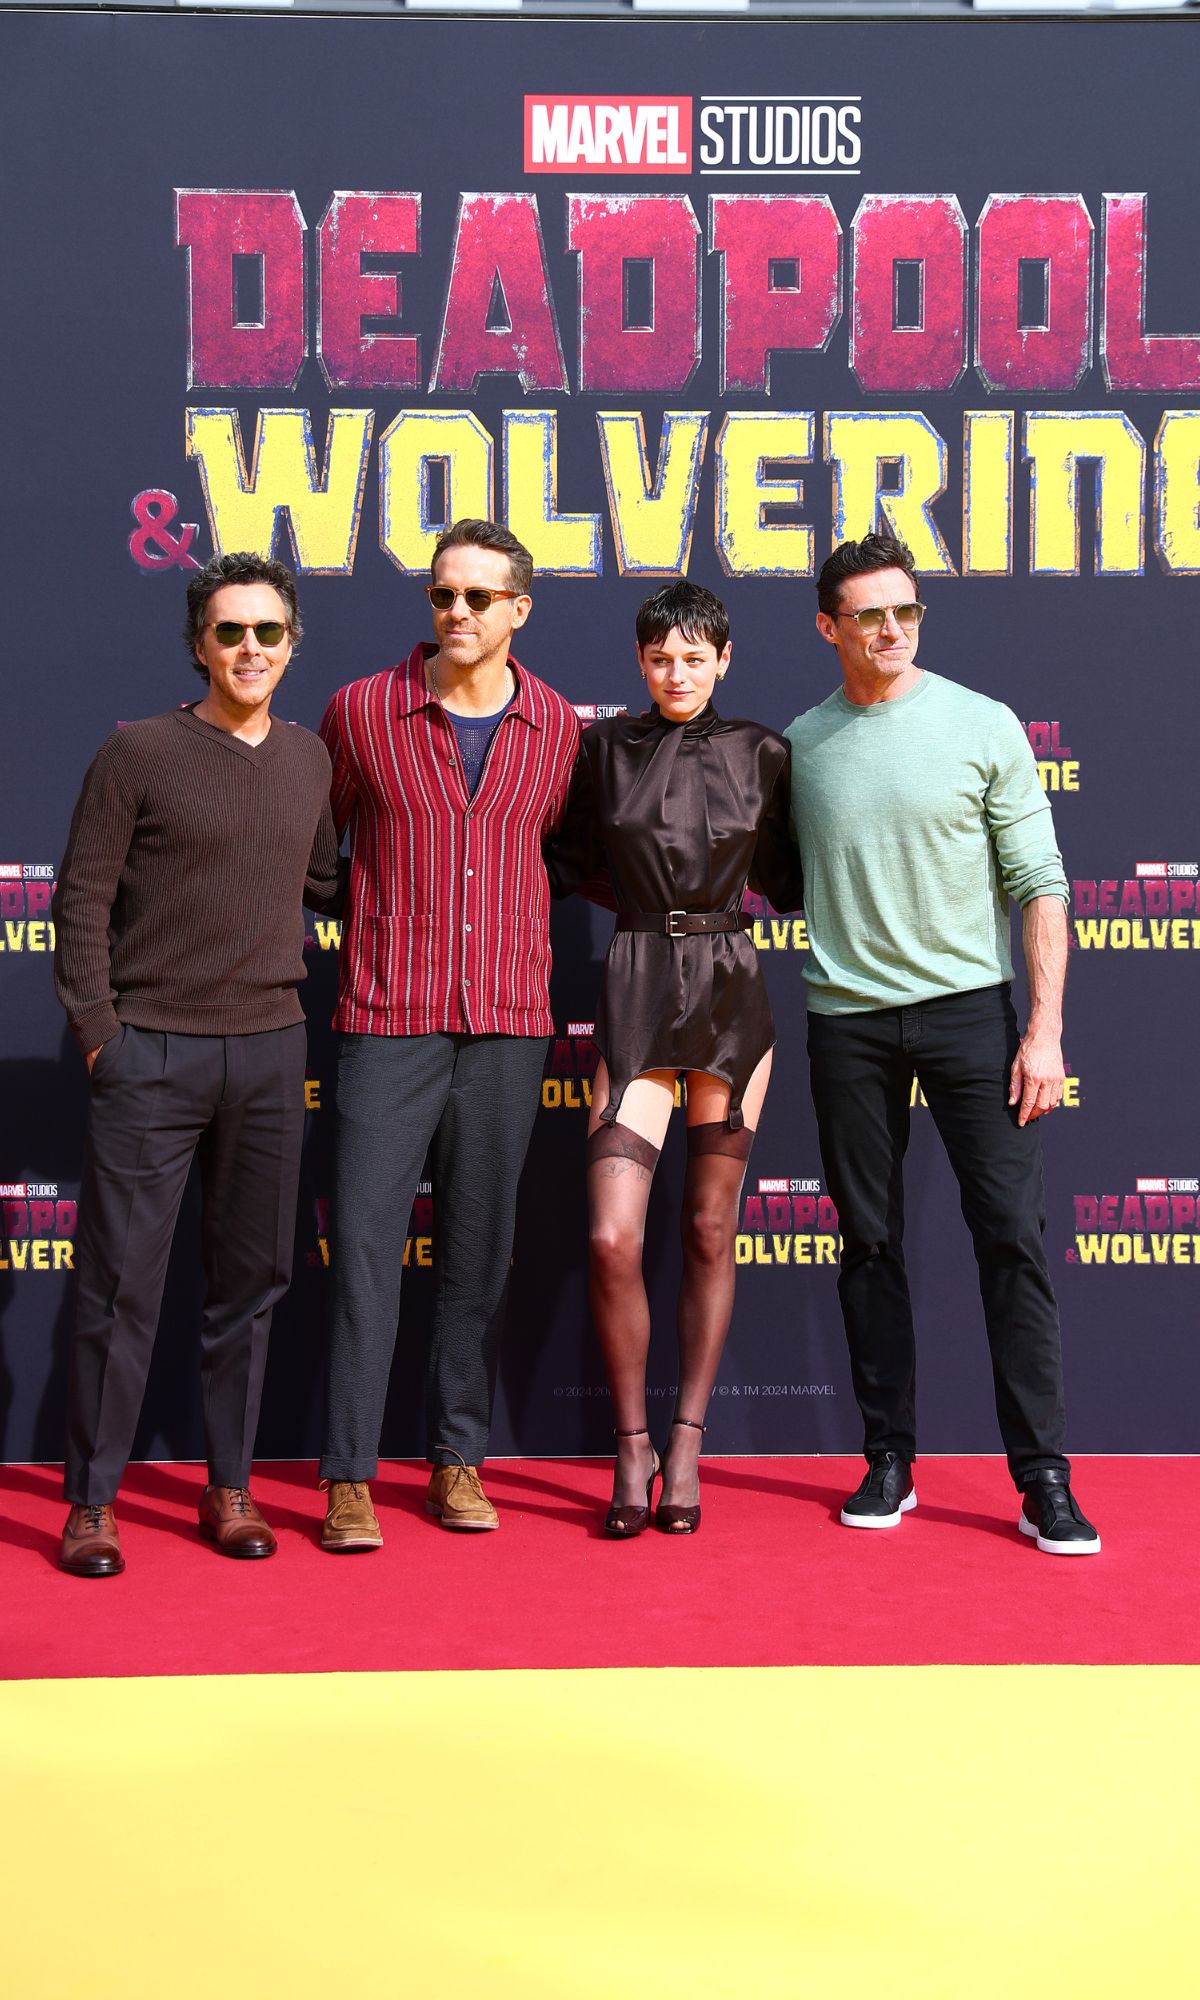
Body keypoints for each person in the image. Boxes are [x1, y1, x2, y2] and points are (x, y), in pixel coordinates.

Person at [787, 531, 1099, 1555]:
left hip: (974, 1014)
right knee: (868, 1244)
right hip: (847, 1021)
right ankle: (888, 1458)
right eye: (869, 613)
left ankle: (1044, 1477)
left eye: (907, 610)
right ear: (828, 624)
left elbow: (1041, 883)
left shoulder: (983, 724)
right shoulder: (802, 743)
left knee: (1012, 1237)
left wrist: (1043, 1032)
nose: (891, 628)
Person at [52, 551, 342, 1577]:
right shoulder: (137, 753)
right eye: (231, 631)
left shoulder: (311, 761)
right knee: (120, 1284)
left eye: (268, 631)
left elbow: (320, 880)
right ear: (198, 644)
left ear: (291, 644)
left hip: (269, 1052)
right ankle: (92, 1501)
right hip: (152, 1053)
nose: (250, 648)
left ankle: (230, 1487)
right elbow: (78, 902)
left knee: (253, 1282)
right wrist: (104, 1034)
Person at [316, 519, 581, 1550]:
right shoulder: (361, 712)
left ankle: (456, 1456)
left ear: (520, 608)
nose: (456, 613)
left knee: (480, 1249)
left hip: (508, 1021)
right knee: (368, 1252)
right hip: (387, 1017)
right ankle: (348, 1475)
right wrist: (377, 924)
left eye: (478, 597)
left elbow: (564, 855)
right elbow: (316, 848)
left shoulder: (558, 726)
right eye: (442, 596)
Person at [548, 580, 803, 1537]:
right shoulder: (602, 750)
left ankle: (688, 1441)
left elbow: (794, 874)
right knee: (612, 1237)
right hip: (635, 987)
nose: (678, 673)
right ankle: (631, 1445)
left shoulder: (765, 752)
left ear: (724, 659)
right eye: (661, 658)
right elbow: (564, 862)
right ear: (640, 662)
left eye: (696, 657)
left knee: (706, 1228)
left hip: (736, 994)